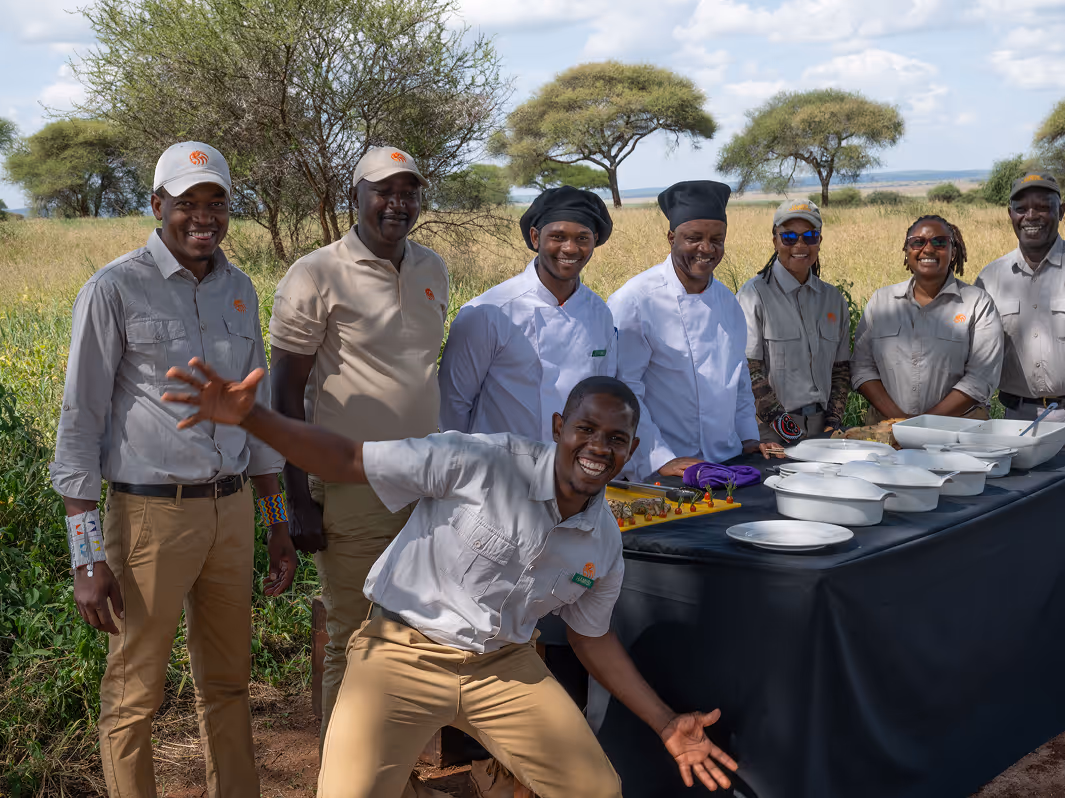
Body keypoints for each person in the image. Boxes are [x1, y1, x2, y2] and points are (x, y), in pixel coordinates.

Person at [163, 362, 740, 798]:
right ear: (560, 426)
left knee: (595, 789)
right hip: (401, 653)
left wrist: (666, 723)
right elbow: (345, 460)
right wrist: (252, 416)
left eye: (616, 440)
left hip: (501, 665)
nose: (598, 447)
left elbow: (591, 636)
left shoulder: (602, 540)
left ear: (631, 451)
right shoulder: (483, 462)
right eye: (586, 429)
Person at [49, 142, 298, 798]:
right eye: (186, 203)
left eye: (215, 203)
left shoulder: (240, 289)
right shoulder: (114, 287)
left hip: (232, 511)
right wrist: (86, 556)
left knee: (229, 683)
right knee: (135, 693)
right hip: (150, 517)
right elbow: (79, 420)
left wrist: (276, 521)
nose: (202, 217)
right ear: (157, 206)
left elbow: (255, 411)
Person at [268, 146, 449, 747]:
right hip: (352, 486)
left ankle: (390, 772)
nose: (397, 203)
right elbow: (284, 395)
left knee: (411, 633)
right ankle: (340, 779)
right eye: (382, 190)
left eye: (408, 192)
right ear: (355, 198)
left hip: (422, 485)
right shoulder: (315, 274)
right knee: (355, 635)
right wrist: (299, 501)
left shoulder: (432, 269)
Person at [607, 180, 784, 482]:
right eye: (694, 238)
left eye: (717, 239)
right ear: (671, 237)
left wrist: (748, 439)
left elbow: (738, 379)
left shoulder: (728, 301)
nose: (707, 249)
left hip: (725, 460)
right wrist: (661, 458)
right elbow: (625, 390)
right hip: (663, 468)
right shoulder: (635, 300)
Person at [439, 186, 616, 441]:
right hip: (499, 470)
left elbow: (603, 396)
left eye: (582, 238)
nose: (570, 248)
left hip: (570, 471)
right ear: (535, 238)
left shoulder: (600, 313)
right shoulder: (489, 312)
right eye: (557, 236)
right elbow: (452, 406)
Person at [851, 215, 1003, 423]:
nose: (928, 249)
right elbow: (862, 367)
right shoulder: (881, 301)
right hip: (886, 429)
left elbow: (981, 377)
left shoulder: (977, 304)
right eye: (918, 242)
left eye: (940, 242)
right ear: (906, 251)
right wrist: (899, 420)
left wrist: (922, 425)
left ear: (953, 252)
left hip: (959, 431)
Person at [737, 199, 851, 443]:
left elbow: (840, 372)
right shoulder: (753, 295)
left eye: (810, 236)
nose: (800, 245)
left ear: (819, 241)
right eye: (789, 237)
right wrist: (789, 432)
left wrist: (831, 426)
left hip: (823, 430)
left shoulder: (833, 300)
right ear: (775, 240)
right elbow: (749, 373)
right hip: (770, 433)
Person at [975, 171, 1065, 422]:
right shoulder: (990, 278)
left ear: (1062, 211)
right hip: (1015, 418)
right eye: (1021, 208)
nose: (1031, 216)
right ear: (1011, 215)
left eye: (1043, 207)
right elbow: (973, 354)